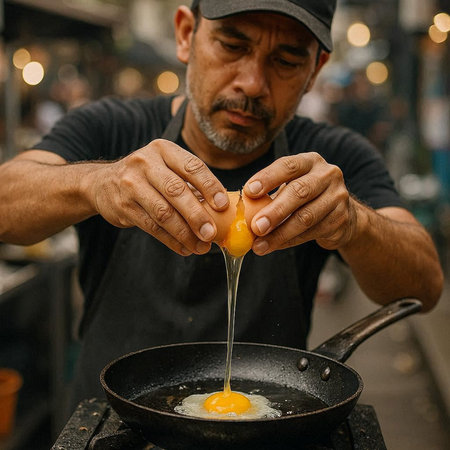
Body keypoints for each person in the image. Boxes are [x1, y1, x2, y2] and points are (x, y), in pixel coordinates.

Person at [0, 0, 443, 411]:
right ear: (185, 34)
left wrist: (354, 224)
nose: (252, 83)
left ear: (315, 71)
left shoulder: (332, 159)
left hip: (265, 425)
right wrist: (96, 182)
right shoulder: (109, 128)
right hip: (111, 423)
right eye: (232, 45)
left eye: (286, 60)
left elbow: (424, 285)